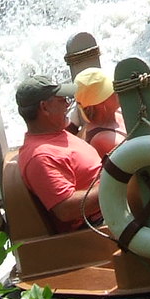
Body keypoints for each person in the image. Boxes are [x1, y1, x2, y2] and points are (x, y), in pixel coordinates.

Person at [14, 78, 102, 231]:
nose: (68, 104)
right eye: (62, 100)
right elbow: (66, 209)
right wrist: (116, 186)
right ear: (45, 107)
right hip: (101, 225)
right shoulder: (41, 157)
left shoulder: (56, 133)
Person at [74, 68, 126, 157]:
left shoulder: (116, 112)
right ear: (100, 102)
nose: (118, 91)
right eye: (112, 89)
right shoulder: (103, 140)